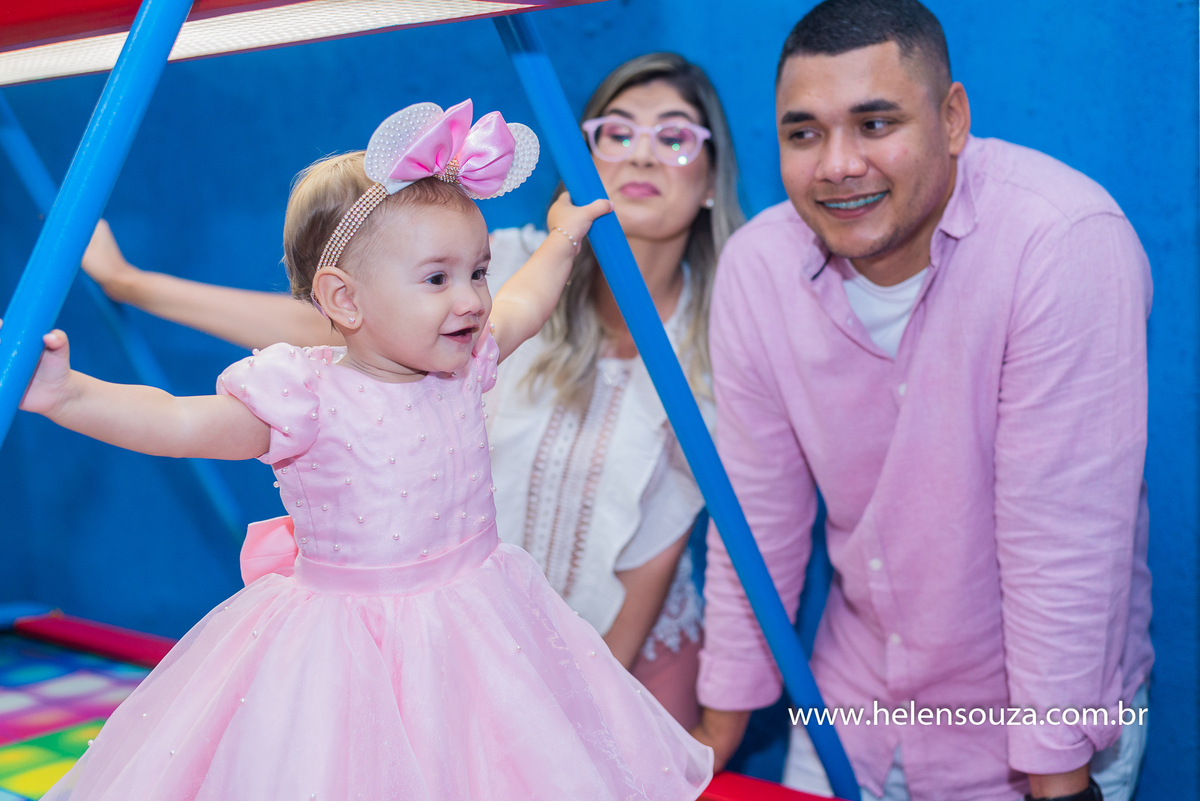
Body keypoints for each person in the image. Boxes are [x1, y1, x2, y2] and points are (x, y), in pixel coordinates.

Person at [23, 100, 713, 800]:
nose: (473, 299)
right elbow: (176, 421)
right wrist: (68, 394)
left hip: (481, 626)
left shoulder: (467, 363)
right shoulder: (306, 398)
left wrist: (564, 237)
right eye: (438, 278)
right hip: (350, 654)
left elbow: (525, 303)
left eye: (477, 271)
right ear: (345, 300)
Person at [690, 2, 1152, 801]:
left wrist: (1059, 781)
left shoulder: (1060, 240)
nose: (838, 164)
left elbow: (1066, 544)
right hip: (849, 714)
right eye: (804, 134)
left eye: (875, 124)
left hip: (1037, 733)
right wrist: (708, 749)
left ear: (952, 118)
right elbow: (754, 520)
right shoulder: (759, 266)